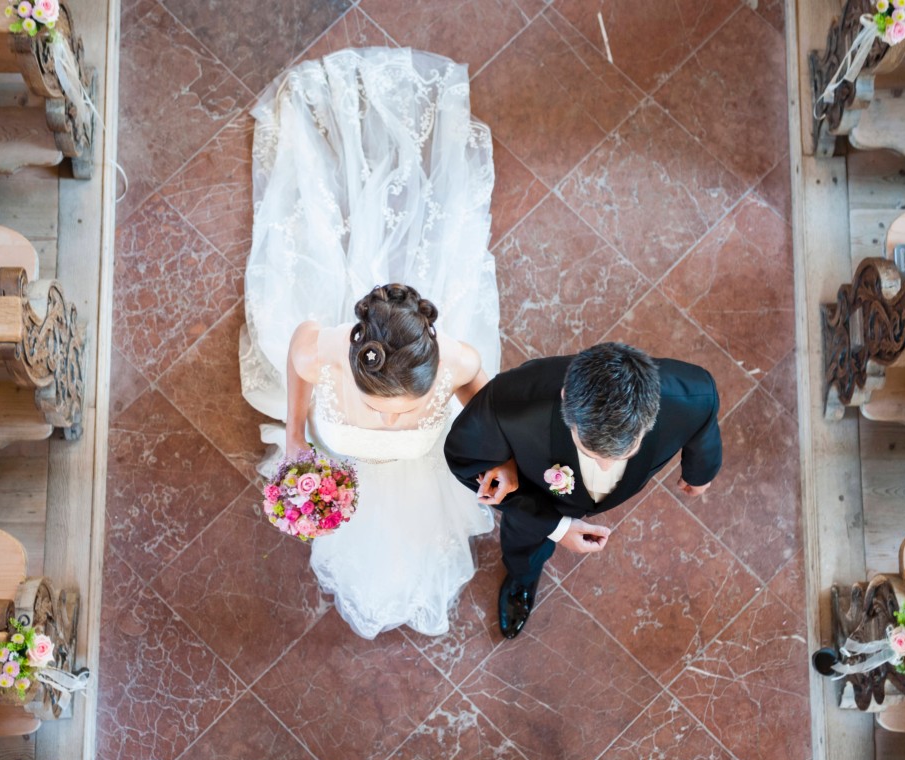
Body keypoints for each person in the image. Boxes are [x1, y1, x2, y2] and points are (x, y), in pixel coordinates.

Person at [239, 48, 500, 639]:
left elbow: (490, 416)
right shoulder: (319, 346)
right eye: (384, 405)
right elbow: (297, 371)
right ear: (357, 364)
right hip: (348, 469)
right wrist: (298, 437)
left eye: (405, 407)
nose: (393, 418)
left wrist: (496, 460)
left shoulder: (461, 362)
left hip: (421, 479)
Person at [444, 343, 723, 638]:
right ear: (566, 400)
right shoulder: (511, 402)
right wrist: (556, 526)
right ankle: (522, 579)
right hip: (537, 496)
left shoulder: (695, 394)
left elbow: (704, 430)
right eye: (590, 451)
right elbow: (465, 457)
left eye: (624, 453)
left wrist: (700, 473)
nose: (605, 467)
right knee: (523, 540)